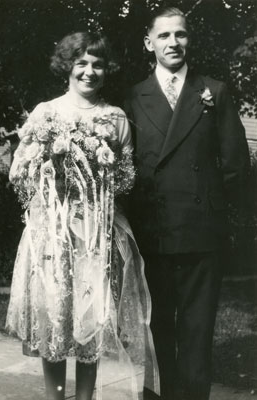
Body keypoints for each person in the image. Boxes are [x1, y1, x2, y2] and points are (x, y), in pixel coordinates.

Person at [6, 31, 160, 400]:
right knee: (56, 322)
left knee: (92, 319)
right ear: (67, 67)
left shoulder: (115, 117)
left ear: (107, 70)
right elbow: (17, 173)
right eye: (82, 64)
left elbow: (126, 178)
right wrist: (50, 168)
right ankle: (55, 396)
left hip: (96, 232)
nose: (90, 72)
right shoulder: (47, 113)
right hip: (53, 235)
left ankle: (86, 398)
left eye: (98, 65)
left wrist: (100, 176)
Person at [124, 6, 250, 400]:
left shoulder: (215, 90)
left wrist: (208, 210)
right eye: (163, 36)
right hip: (153, 232)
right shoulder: (132, 96)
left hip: (200, 231)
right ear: (149, 43)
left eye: (180, 34)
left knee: (197, 332)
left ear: (188, 40)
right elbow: (126, 167)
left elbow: (235, 165)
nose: (172, 42)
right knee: (156, 326)